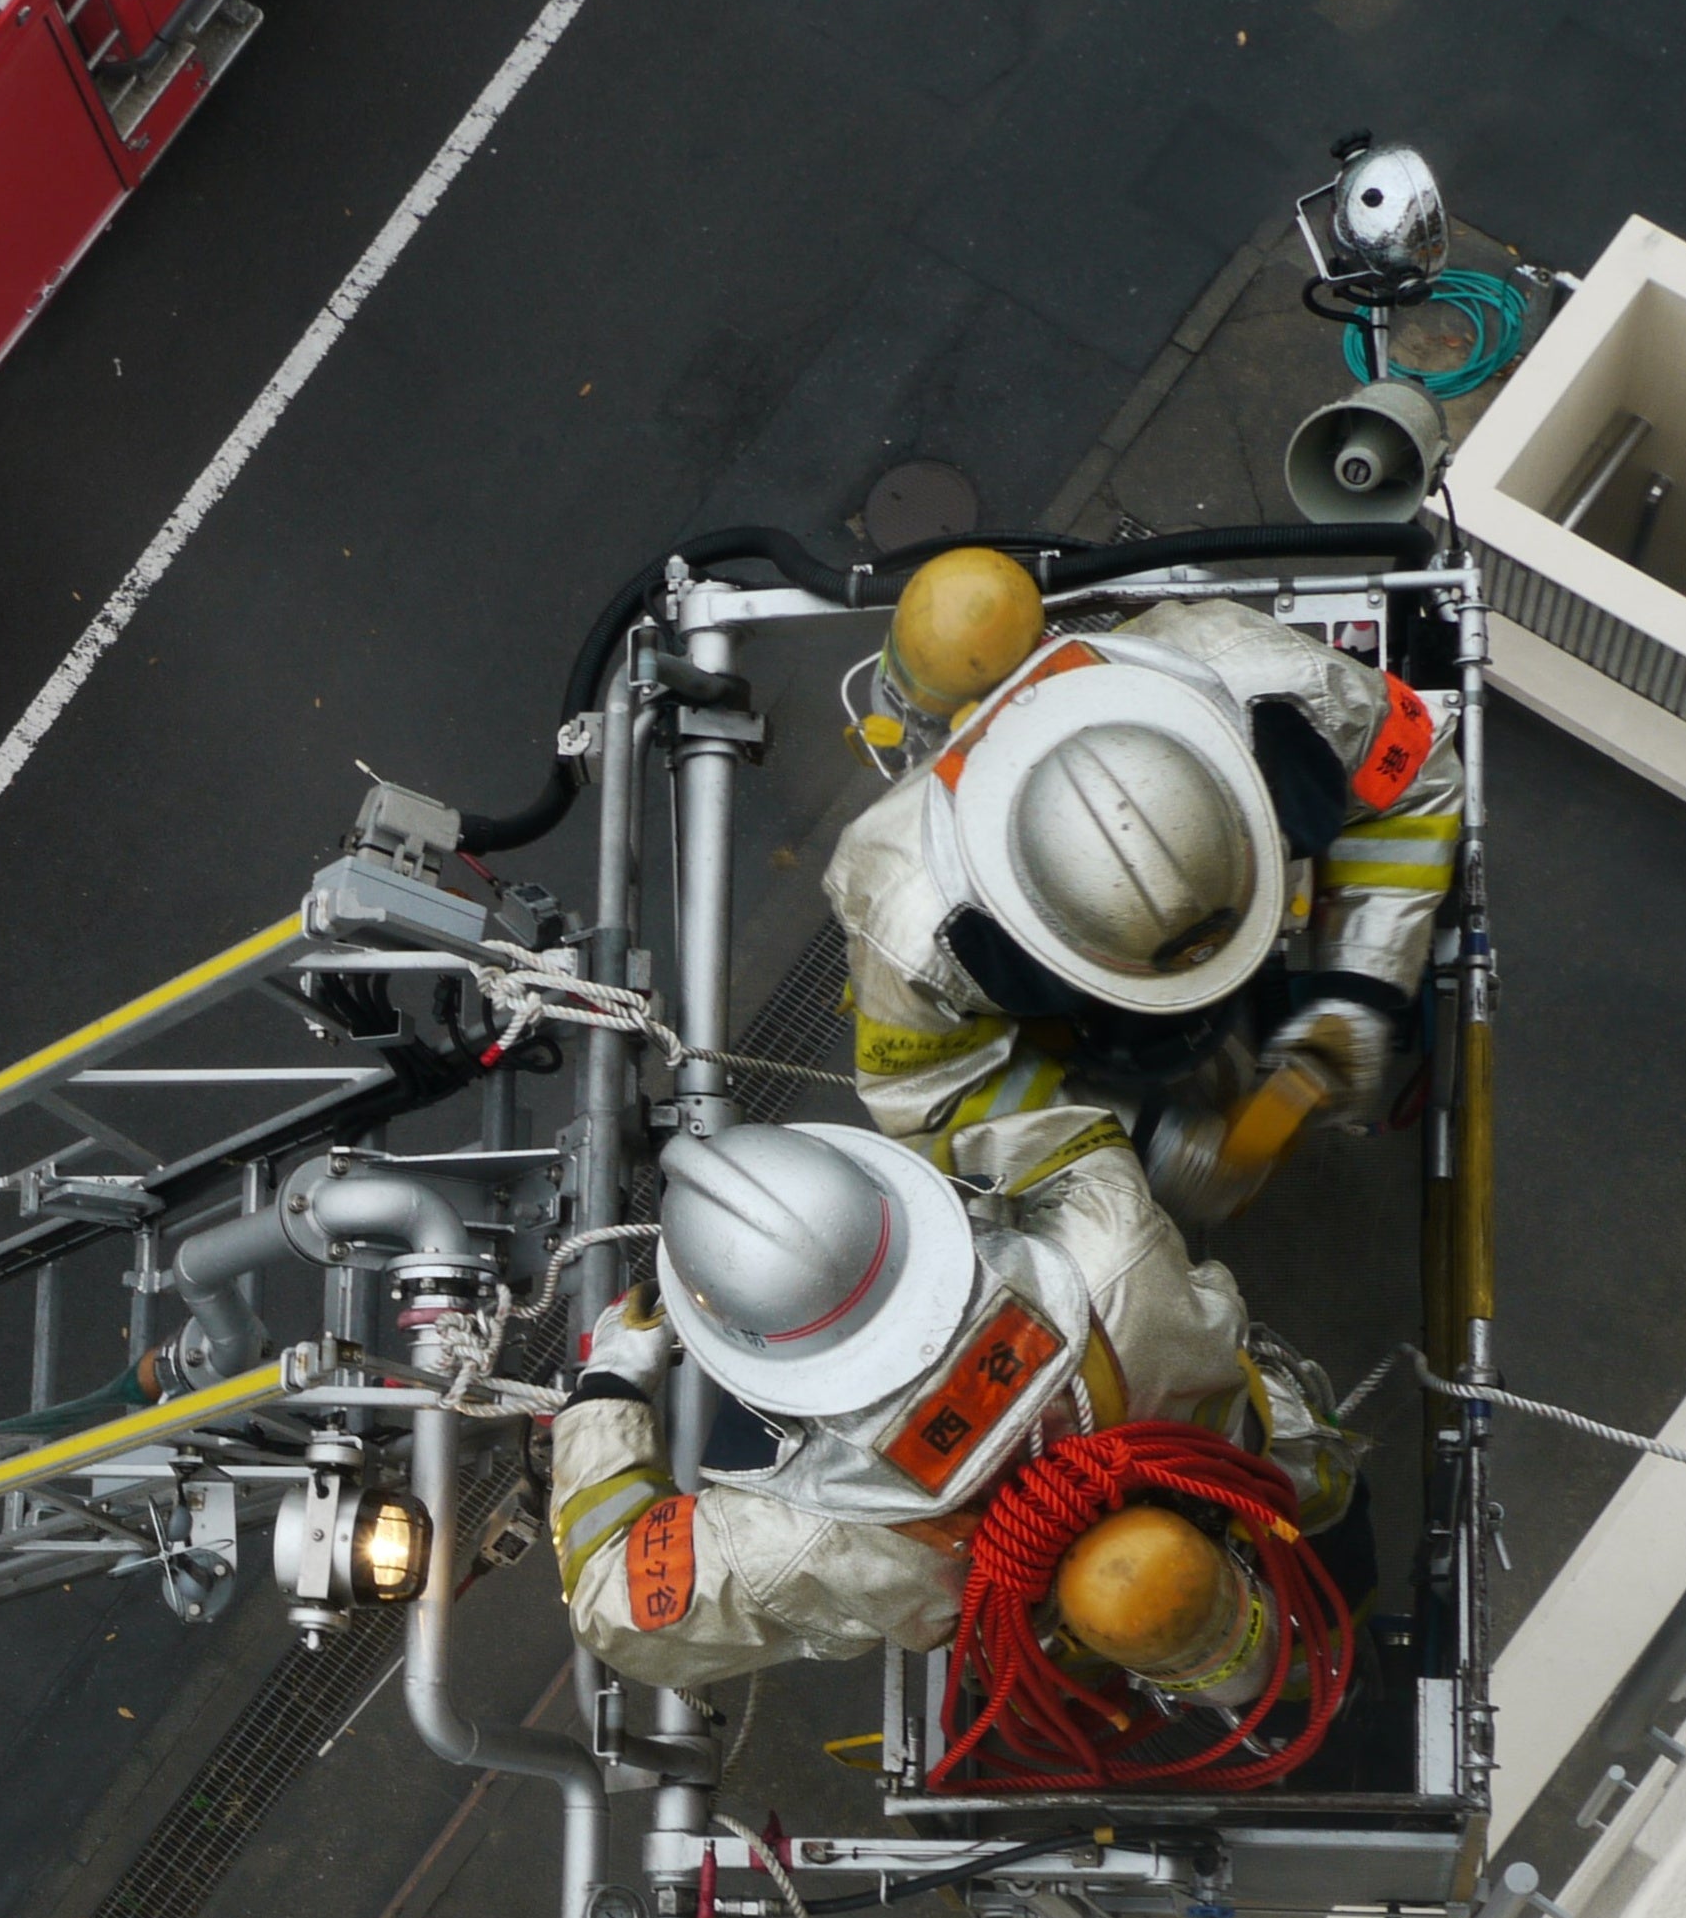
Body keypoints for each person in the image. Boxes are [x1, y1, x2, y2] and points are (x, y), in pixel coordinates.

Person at [549, 1118, 1354, 1691]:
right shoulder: (1111, 1249)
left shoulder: (819, 1539)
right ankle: (1322, 1499)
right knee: (1305, 1474)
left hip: (1079, 1644)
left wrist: (613, 1390)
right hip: (1265, 1465)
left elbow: (616, 1603)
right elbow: (1043, 1121)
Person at [824, 565, 1464, 1224]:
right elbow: (935, 1095)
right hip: (1083, 1039)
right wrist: (1137, 1138)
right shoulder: (911, 915)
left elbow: (1415, 773)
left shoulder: (1264, 683)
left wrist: (1363, 985)